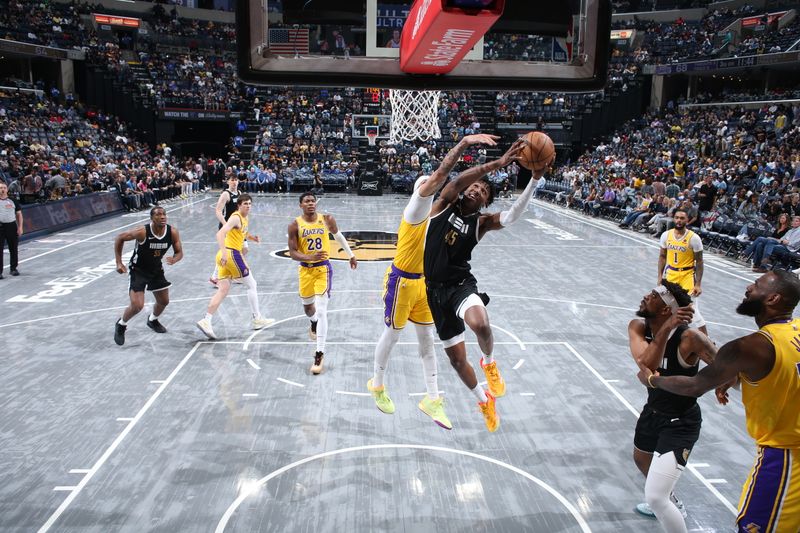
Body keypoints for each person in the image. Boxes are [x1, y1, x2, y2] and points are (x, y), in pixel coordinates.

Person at [639, 271, 800, 533]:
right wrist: (734, 375)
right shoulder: (795, 330)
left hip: (786, 456)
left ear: (773, 298)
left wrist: (653, 380)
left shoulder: (749, 347)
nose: (748, 287)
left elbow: (694, 386)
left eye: (757, 285)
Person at [367, 133, 500, 430]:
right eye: (427, 183)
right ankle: (377, 384)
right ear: (421, 190)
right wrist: (464, 144)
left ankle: (433, 399)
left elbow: (456, 194)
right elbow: (442, 176)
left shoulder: (442, 213)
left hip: (427, 285)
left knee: (427, 341)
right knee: (392, 335)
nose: (433, 184)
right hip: (402, 280)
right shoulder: (417, 208)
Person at [423, 137, 532, 432]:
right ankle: (484, 401)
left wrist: (533, 180)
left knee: (481, 324)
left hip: (460, 284)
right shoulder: (444, 203)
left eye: (484, 191)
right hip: (434, 292)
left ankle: (489, 362)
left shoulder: (481, 223)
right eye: (476, 185)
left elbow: (511, 216)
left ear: (485, 202)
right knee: (458, 361)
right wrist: (495, 165)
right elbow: (456, 180)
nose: (477, 189)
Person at [628, 282, 716, 530]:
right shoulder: (638, 326)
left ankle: (668, 503)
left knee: (655, 497)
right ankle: (670, 499)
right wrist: (666, 328)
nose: (646, 296)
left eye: (654, 296)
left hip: (681, 420)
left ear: (667, 310)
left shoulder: (690, 338)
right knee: (641, 459)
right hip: (653, 411)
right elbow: (646, 363)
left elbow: (723, 365)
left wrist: (719, 384)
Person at [288, 191, 357, 374]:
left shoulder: (327, 219)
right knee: (308, 309)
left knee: (321, 309)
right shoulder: (295, 225)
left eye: (313, 201)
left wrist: (351, 255)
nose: (311, 203)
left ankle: (319, 353)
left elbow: (338, 236)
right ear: (301, 205)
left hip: (323, 270)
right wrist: (309, 257)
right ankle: (313, 322)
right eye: (307, 201)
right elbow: (293, 252)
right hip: (305, 270)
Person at [196, 194, 273, 339]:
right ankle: (257, 318)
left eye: (249, 203)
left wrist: (252, 237)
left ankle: (206, 320)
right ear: (239, 205)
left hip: (225, 255)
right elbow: (220, 234)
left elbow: (242, 232)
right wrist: (225, 253)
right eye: (245, 204)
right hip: (230, 254)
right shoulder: (236, 217)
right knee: (252, 285)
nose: (248, 206)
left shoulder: (244, 218)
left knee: (223, 290)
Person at [114, 206, 184, 345]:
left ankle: (152, 320)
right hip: (138, 270)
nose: (162, 217)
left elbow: (179, 252)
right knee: (137, 306)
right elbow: (120, 238)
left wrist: (174, 259)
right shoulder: (142, 232)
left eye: (164, 214)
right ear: (152, 218)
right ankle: (121, 324)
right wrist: (119, 263)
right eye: (158, 214)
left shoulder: (172, 232)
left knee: (164, 301)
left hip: (156, 269)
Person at [658, 209, 707, 334]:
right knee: (666, 308)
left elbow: (699, 262)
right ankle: (663, 337)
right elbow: (662, 257)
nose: (679, 220)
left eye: (682, 218)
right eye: (677, 217)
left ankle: (707, 340)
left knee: (693, 311)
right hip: (670, 275)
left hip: (687, 276)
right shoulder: (666, 235)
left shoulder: (694, 238)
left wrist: (698, 284)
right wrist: (659, 277)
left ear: (687, 220)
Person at [210, 173, 241, 286]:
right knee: (226, 252)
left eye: (236, 180)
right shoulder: (225, 194)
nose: (234, 182)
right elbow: (218, 211)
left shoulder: (239, 193)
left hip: (236, 227)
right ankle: (215, 276)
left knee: (244, 249)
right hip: (227, 227)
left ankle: (232, 273)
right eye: (232, 180)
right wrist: (225, 225)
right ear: (228, 182)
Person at [0, 182, 22, 279]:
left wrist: (20, 227)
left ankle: (13, 268)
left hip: (11, 226)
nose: (2, 190)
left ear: (7, 189)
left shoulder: (13, 200)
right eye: (1, 188)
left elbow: (19, 214)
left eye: (4, 188)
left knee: (13, 248)